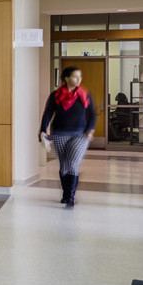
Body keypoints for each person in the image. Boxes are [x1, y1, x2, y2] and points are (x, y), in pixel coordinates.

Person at [40, 66, 97, 207]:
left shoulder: (85, 94)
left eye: (80, 77)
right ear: (66, 78)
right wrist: (42, 130)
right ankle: (66, 195)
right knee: (64, 166)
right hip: (59, 133)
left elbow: (92, 114)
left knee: (73, 164)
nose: (79, 79)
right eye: (75, 76)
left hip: (80, 134)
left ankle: (70, 197)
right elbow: (47, 113)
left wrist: (90, 129)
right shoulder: (55, 95)